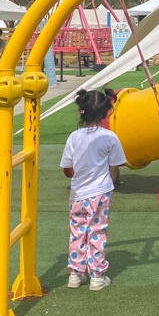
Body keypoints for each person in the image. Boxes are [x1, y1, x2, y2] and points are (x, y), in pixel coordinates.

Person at [60, 88, 126, 291]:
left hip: (78, 193)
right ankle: (97, 276)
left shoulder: (73, 137)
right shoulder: (110, 137)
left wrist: (76, 176)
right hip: (100, 193)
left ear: (82, 111)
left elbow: (67, 169)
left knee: (77, 232)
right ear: (106, 112)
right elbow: (114, 167)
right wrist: (110, 183)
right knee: (97, 232)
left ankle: (75, 274)